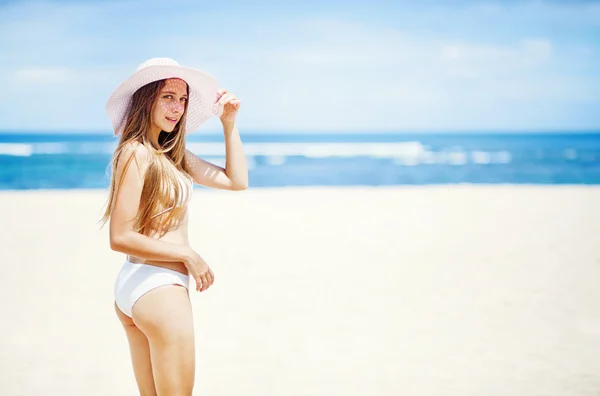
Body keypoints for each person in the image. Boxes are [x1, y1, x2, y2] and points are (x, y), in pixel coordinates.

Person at [100, 57, 248, 395]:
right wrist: (187, 254)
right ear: (145, 98)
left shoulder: (171, 154)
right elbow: (120, 236)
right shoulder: (135, 153)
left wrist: (229, 123)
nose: (177, 107)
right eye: (168, 96)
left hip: (142, 285)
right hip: (158, 285)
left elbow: (236, 180)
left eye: (182, 99)